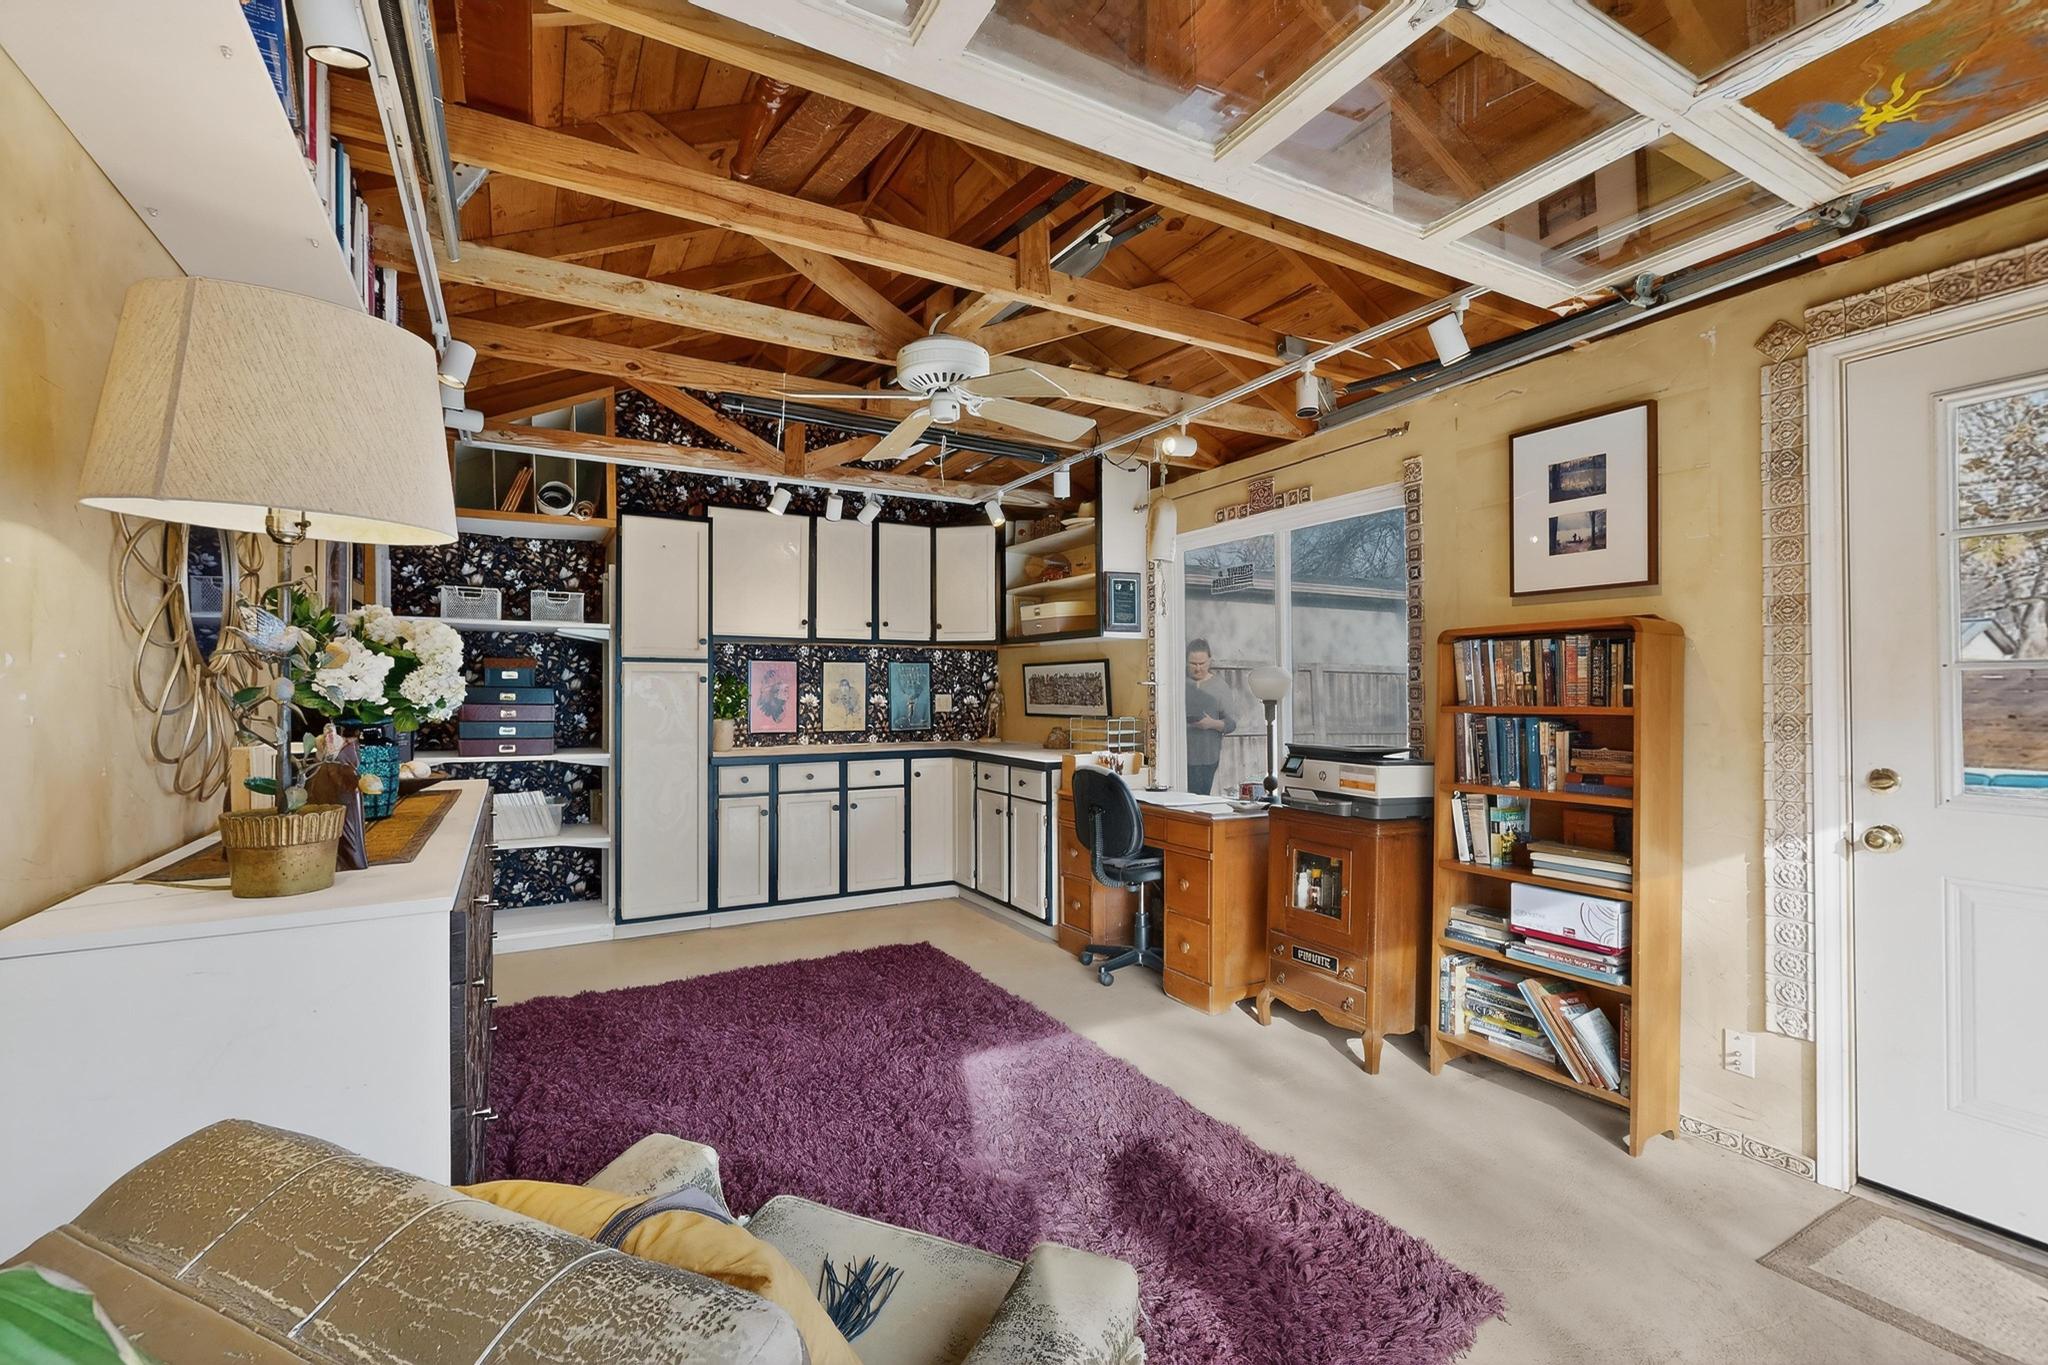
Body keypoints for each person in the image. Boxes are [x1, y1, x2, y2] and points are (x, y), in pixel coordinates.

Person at [1185, 639, 1235, 795]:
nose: (1198, 668)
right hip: (1180, 756)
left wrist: (1212, 723)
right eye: (1193, 664)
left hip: (1207, 757)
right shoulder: (1178, 683)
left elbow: (1231, 723)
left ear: (1210, 661)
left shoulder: (1220, 686)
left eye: (1202, 663)